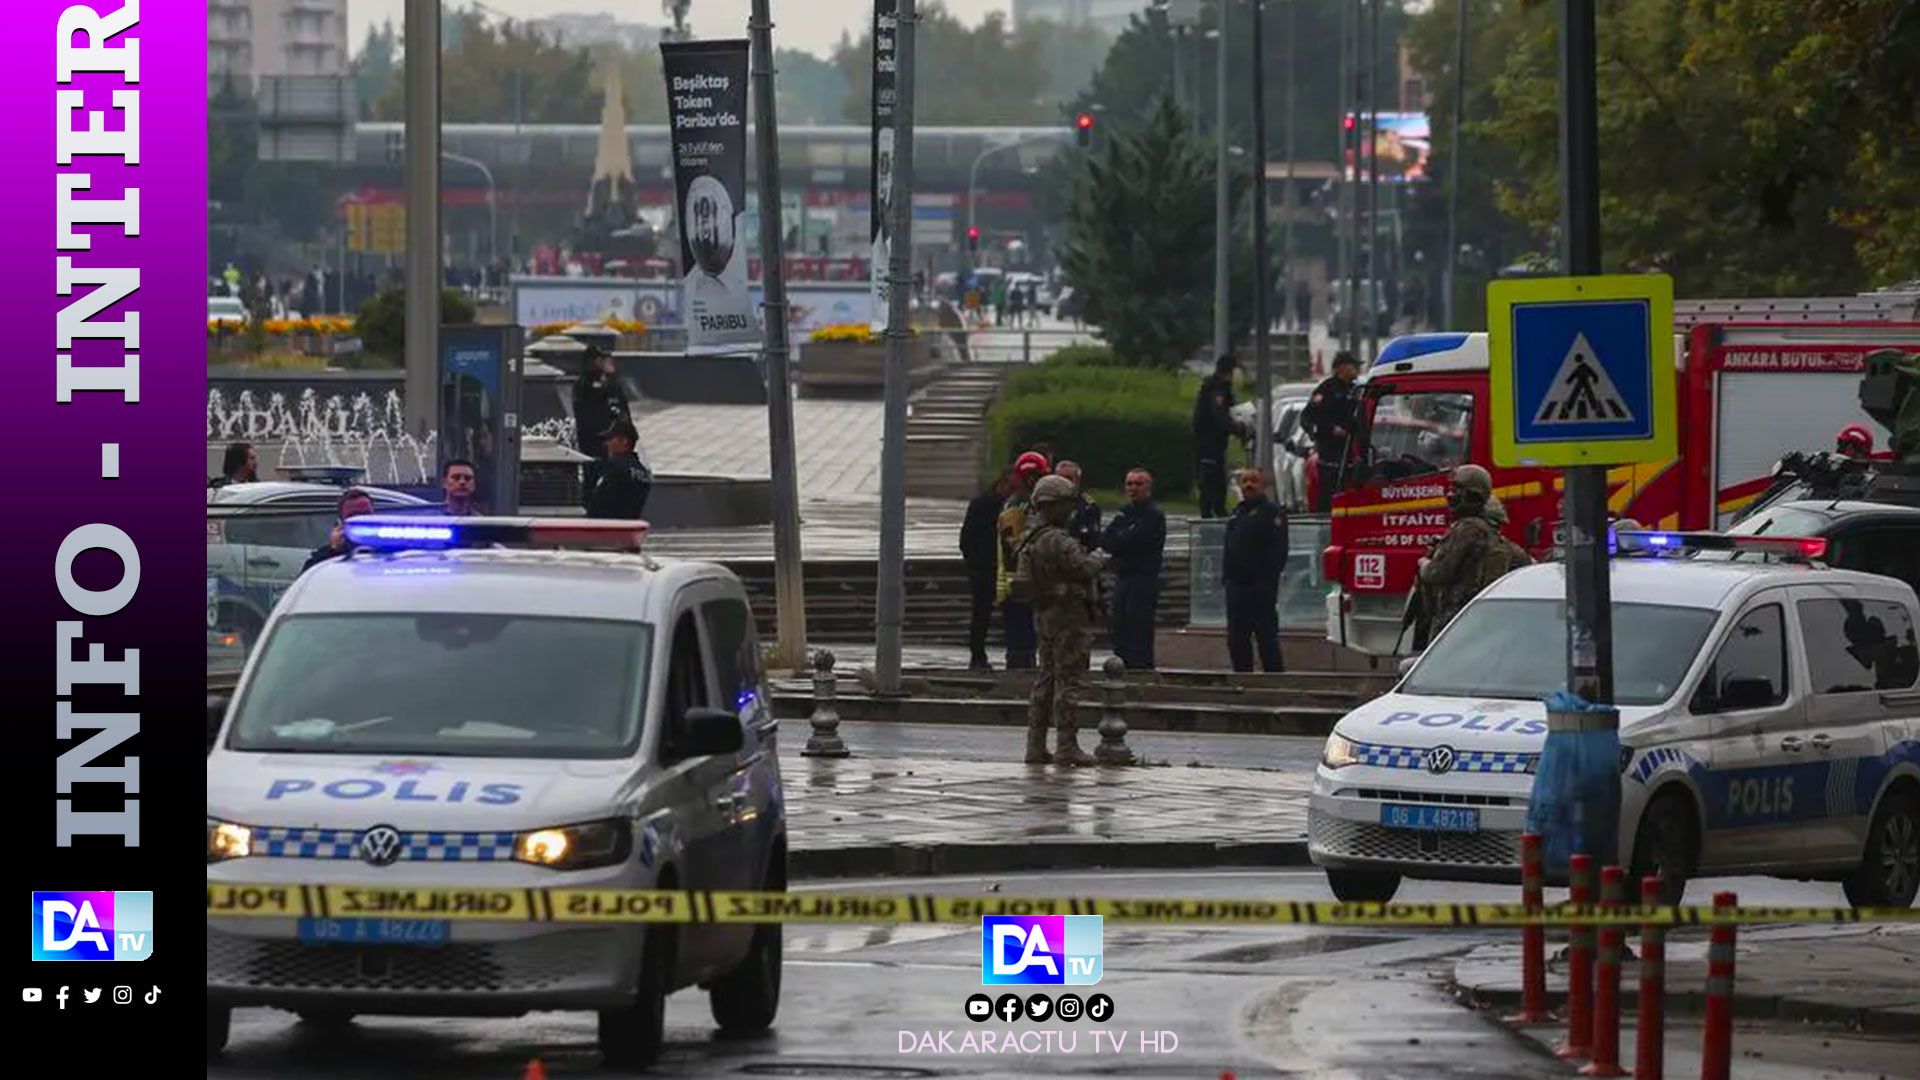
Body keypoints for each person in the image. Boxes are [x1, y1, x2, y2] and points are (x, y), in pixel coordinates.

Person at [1016, 474, 1109, 766]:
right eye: (1067, 504)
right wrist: (1098, 559)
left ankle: (1036, 745)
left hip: (1045, 613)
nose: (1071, 511)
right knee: (1069, 680)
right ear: (1054, 506)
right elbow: (1083, 568)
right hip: (1068, 615)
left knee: (1045, 678)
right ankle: (1067, 745)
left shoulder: (1031, 536)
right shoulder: (1058, 540)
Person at [1418, 463, 1511, 632]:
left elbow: (1437, 572)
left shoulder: (1467, 529)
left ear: (1472, 495)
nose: (1450, 495)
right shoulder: (1487, 530)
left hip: (1455, 617)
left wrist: (1424, 563)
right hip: (1472, 616)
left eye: (1456, 490)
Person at [1100, 469, 1167, 671]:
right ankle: (1122, 668)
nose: (1133, 488)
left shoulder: (1154, 514)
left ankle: (1141, 670)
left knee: (1139, 628)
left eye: (1138, 484)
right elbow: (1107, 540)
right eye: (1129, 484)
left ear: (1148, 487)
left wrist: (1123, 538)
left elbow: (1138, 540)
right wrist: (1124, 537)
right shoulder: (1125, 511)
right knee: (1120, 627)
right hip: (1123, 577)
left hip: (1143, 578)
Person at [1222, 470, 1289, 672]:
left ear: (1264, 486)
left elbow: (1278, 552)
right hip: (1236, 587)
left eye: (1254, 481)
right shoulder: (1237, 512)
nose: (1249, 485)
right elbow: (1229, 548)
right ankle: (1242, 678)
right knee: (1236, 638)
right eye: (1245, 481)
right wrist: (1227, 578)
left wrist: (1267, 582)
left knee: (1266, 636)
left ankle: (1274, 679)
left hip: (1260, 588)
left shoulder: (1272, 512)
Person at [996, 451, 1050, 669]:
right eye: (1028, 476)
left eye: (1036, 476)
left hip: (1037, 580)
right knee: (1020, 642)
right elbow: (1015, 544)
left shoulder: (1042, 503)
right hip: (1018, 581)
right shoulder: (1014, 505)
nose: (1032, 481)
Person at [961, 469, 1014, 671]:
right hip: (985, 567)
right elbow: (967, 538)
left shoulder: (1013, 505)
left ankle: (1016, 654)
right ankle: (977, 655)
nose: (1012, 492)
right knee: (981, 614)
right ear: (1001, 484)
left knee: (1012, 612)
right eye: (1010, 487)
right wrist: (975, 564)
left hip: (1007, 567)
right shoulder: (982, 504)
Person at [572, 343, 632, 510]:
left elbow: (623, 410)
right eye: (600, 359)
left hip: (614, 443)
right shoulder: (583, 386)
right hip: (593, 443)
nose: (605, 363)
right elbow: (587, 413)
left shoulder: (613, 385)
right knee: (593, 479)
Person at [1301, 352, 1362, 512]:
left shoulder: (1355, 389)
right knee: (1329, 500)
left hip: (1350, 455)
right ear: (1341, 368)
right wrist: (1330, 429)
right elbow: (1308, 418)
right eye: (1353, 366)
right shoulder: (1326, 389)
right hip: (1330, 457)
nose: (1357, 369)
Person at [1192, 355, 1244, 518]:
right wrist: (1238, 429)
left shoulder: (1213, 387)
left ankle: (1215, 515)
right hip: (1209, 445)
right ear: (1230, 371)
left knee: (1213, 483)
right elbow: (1220, 416)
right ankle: (1213, 519)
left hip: (1210, 445)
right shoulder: (1217, 389)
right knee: (1212, 484)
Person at [586, 419, 653, 519]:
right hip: (633, 525)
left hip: (611, 525)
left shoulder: (614, 467)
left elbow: (597, 505)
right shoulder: (644, 472)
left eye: (610, 439)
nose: (607, 444)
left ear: (625, 441)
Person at [301, 488, 376, 574]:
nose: (360, 520)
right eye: (353, 516)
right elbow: (309, 577)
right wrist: (334, 551)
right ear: (340, 522)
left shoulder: (384, 547)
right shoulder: (325, 555)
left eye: (365, 514)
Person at [1053, 461, 1102, 550]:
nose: (1063, 482)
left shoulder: (1089, 506)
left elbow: (1092, 541)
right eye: (1059, 478)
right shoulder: (1044, 502)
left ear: (1077, 481)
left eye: (1068, 478)